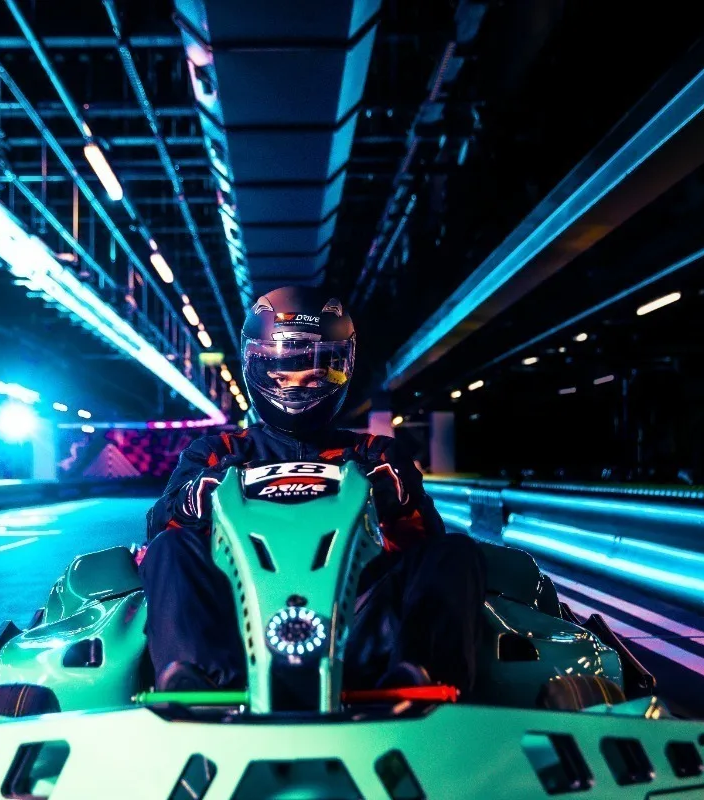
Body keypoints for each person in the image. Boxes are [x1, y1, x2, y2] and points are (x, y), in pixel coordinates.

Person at [138, 287, 486, 695]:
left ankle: (419, 674)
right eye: (282, 373)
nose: (297, 386)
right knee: (170, 550)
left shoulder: (375, 453)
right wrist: (194, 499)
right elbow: (159, 529)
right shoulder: (218, 452)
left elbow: (426, 539)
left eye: (315, 373)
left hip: (359, 621)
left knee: (456, 552)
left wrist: (396, 502)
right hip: (238, 622)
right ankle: (198, 683)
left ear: (342, 369)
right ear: (257, 368)